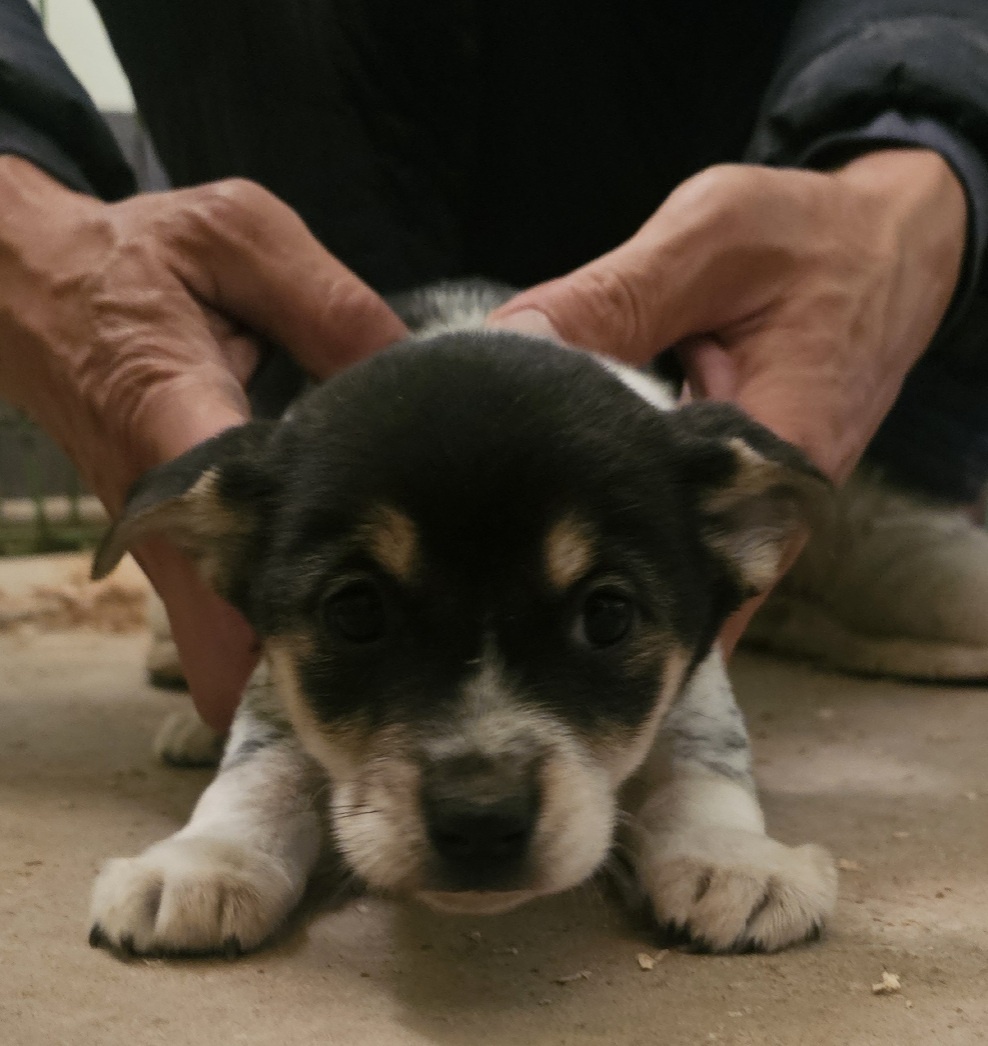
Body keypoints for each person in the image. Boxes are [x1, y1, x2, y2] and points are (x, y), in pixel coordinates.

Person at [1, 0, 986, 732]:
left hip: (716, 250)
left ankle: (863, 454)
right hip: (311, 280)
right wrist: (21, 209)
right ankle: (277, 556)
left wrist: (908, 146)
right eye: (357, 608)